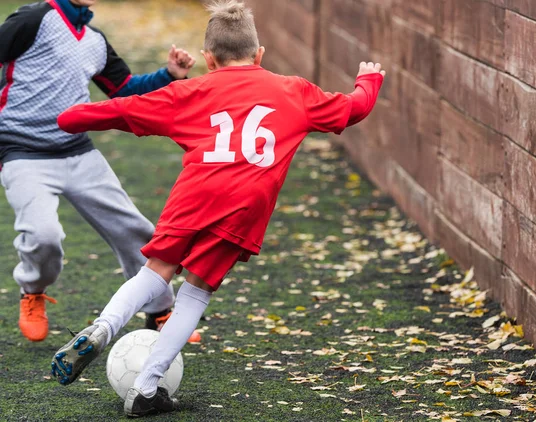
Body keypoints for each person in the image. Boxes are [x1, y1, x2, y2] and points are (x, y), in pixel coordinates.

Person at [51, 0, 385, 416]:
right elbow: (354, 109)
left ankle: (103, 327)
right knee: (195, 292)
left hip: (195, 194)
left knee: (156, 271)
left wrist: (71, 117)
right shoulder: (295, 91)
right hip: (245, 207)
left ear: (209, 60)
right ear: (259, 54)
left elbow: (122, 110)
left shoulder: (190, 91)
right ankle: (147, 387)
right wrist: (368, 80)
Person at [0, 0, 201, 343]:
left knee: (136, 231)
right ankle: (32, 290)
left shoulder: (94, 41)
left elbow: (124, 91)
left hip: (78, 151)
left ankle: (158, 312)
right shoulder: (33, 19)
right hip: (22, 152)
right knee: (43, 235)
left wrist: (169, 75)